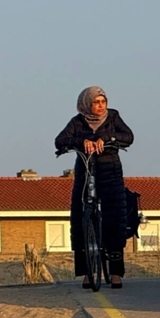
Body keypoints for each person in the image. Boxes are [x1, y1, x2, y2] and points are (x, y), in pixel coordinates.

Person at [55, 87, 134, 289]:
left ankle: (116, 273)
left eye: (103, 101)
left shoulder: (113, 117)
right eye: (96, 102)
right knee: (81, 216)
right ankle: (87, 273)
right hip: (85, 171)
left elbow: (128, 136)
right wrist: (82, 141)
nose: (100, 106)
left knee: (114, 219)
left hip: (110, 172)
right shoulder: (78, 121)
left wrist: (106, 139)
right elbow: (60, 140)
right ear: (86, 104)